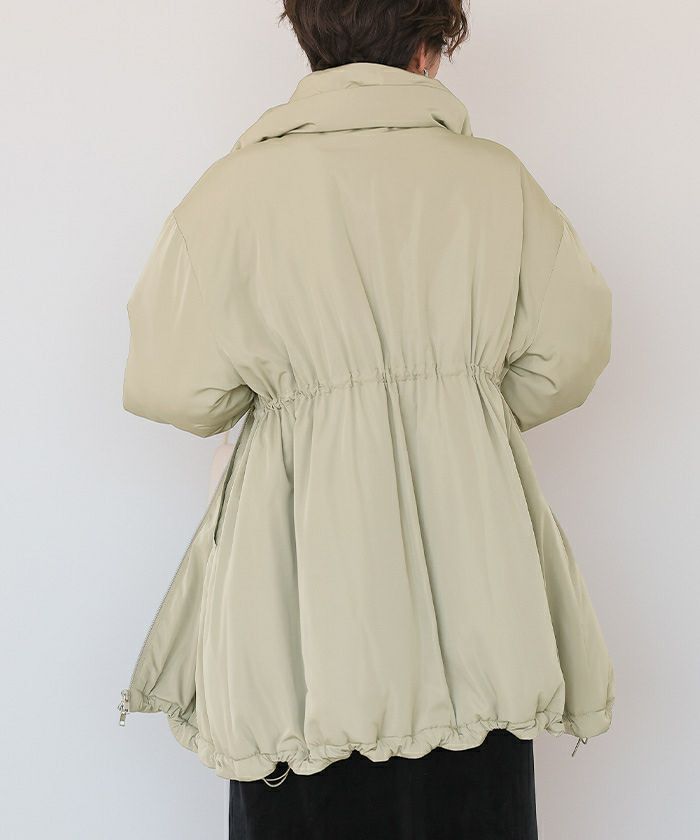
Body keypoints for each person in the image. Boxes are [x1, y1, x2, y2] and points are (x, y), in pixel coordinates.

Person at [118, 1, 615, 837]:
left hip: (299, 597)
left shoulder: (229, 194)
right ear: (428, 50)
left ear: (310, 40)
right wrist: (458, 412)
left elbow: (172, 386)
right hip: (478, 586)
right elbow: (572, 353)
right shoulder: (497, 181)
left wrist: (296, 397)